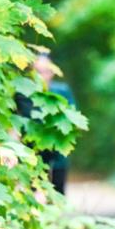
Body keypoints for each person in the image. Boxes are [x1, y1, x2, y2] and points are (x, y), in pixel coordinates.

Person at [32, 53, 76, 195]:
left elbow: (73, 116)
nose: (41, 76)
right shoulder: (25, 93)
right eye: (37, 71)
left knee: (58, 191)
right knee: (36, 190)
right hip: (35, 151)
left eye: (44, 71)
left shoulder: (62, 91)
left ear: (52, 72)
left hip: (58, 150)